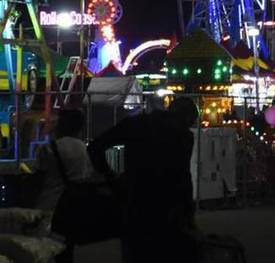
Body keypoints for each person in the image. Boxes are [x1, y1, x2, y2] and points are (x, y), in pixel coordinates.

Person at [88, 97, 200, 262]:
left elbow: (96, 147)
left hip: (134, 205)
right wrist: (189, 215)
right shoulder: (183, 136)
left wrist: (112, 179)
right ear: (186, 118)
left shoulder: (137, 124)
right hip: (169, 212)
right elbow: (184, 178)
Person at [36, 109, 94, 263]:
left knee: (46, 251)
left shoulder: (50, 148)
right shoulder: (84, 148)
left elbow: (38, 176)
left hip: (51, 205)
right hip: (75, 206)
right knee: (67, 250)